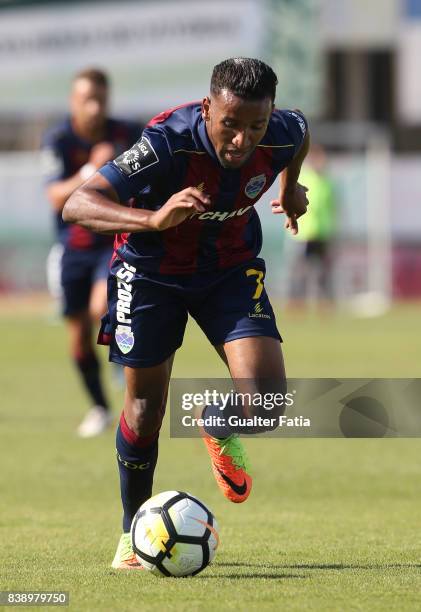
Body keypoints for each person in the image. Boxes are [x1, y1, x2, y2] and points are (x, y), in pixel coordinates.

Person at [63, 57, 310, 568]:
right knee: (146, 411)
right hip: (150, 274)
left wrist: (290, 187)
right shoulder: (165, 143)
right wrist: (153, 218)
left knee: (268, 401)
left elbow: (300, 131)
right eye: (230, 124)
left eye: (256, 126)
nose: (243, 140)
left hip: (229, 270)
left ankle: (216, 421)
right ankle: (133, 534)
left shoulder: (282, 132)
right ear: (207, 109)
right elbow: (79, 204)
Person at [42, 68, 142, 437]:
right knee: (78, 336)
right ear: (74, 102)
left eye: (100, 99)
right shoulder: (58, 139)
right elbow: (54, 196)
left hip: (114, 242)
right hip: (73, 249)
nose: (95, 107)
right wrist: (91, 167)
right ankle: (99, 407)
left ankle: (121, 353)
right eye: (88, 99)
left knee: (103, 306)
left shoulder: (127, 134)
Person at [286, 144, 336, 307]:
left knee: (324, 272)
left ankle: (325, 303)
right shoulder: (302, 178)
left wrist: (333, 230)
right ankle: (296, 302)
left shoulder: (327, 182)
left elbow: (332, 208)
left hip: (322, 233)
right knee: (300, 271)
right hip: (303, 233)